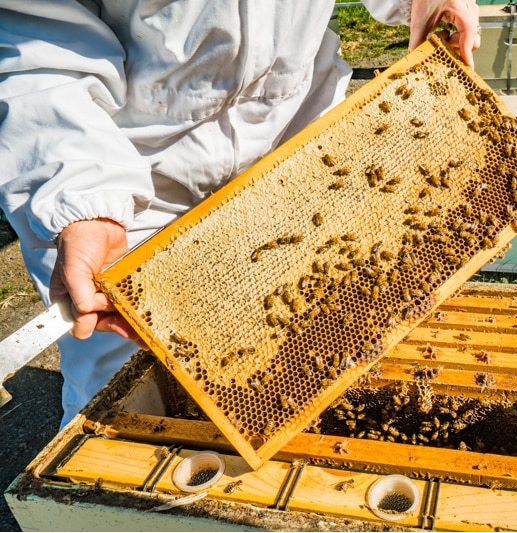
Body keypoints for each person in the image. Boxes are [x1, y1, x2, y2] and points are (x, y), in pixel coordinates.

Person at [0, 0, 481, 427]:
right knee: (122, 402)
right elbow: (28, 45)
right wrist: (80, 197)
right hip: (123, 176)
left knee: (306, 354)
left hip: (296, 149)